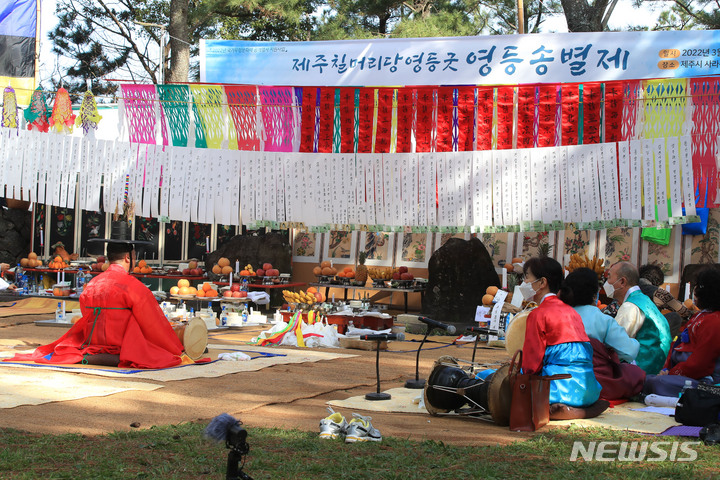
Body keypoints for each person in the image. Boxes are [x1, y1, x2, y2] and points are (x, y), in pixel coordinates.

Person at [7, 239, 188, 368]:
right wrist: (175, 348)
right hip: (122, 344)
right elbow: (153, 322)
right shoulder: (133, 286)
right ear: (128, 258)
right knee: (147, 331)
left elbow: (87, 314)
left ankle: (95, 355)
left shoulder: (92, 283)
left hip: (93, 341)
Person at [520, 257, 604, 414]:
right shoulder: (572, 311)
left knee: (492, 378)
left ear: (542, 282)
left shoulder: (538, 314)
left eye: (526, 277)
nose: (524, 282)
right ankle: (580, 411)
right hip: (589, 390)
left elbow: (531, 366)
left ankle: (556, 409)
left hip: (560, 390)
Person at [559, 267, 645, 400]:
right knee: (634, 373)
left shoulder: (557, 315)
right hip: (593, 380)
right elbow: (629, 352)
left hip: (560, 380)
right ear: (594, 295)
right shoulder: (601, 319)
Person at [644, 267, 720, 397]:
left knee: (655, 383)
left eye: (696, 287)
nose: (694, 292)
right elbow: (677, 346)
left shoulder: (715, 321)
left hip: (706, 382)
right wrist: (666, 369)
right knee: (646, 378)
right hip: (683, 374)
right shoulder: (699, 317)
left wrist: (672, 373)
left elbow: (700, 364)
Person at [604, 261, 671, 375]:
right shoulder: (643, 299)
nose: (606, 283)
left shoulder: (630, 306)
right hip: (655, 363)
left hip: (641, 367)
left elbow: (614, 344)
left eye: (609, 277)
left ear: (622, 282)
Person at [638, 264, 691, 338]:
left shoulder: (629, 289)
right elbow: (683, 311)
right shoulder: (657, 293)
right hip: (647, 333)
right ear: (658, 282)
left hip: (629, 332)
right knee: (675, 317)